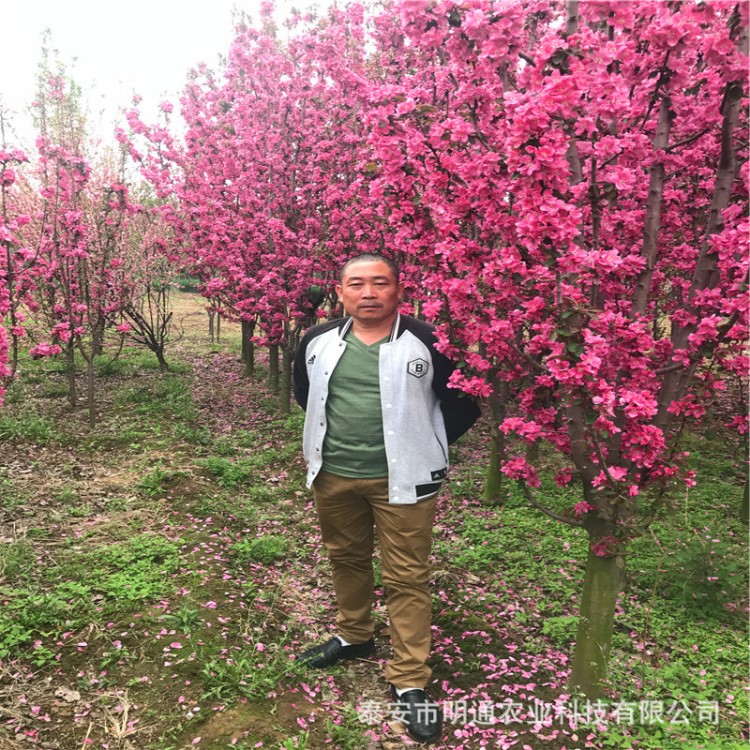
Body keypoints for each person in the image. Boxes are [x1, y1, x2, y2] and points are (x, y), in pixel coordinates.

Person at [292, 254, 481, 744]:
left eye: (381, 283)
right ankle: (354, 635)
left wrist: (426, 442)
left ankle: (410, 679)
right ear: (340, 292)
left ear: (399, 290)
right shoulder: (316, 342)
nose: (369, 293)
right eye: (357, 284)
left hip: (405, 482)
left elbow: (463, 401)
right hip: (334, 476)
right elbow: (305, 393)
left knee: (406, 574)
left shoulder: (429, 341)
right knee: (346, 557)